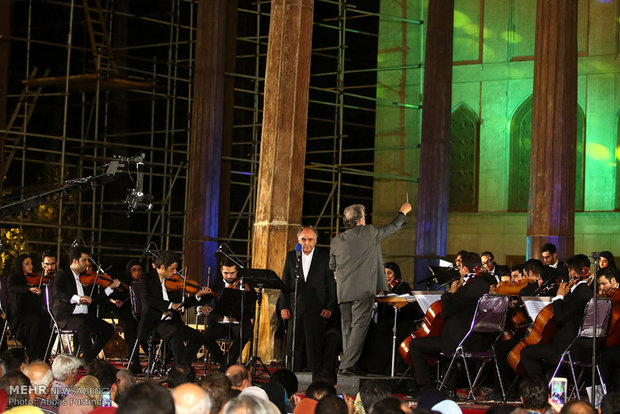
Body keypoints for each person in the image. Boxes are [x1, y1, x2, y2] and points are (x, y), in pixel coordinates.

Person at [329, 202, 412, 375]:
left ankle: (348, 366)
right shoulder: (369, 232)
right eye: (364, 216)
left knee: (347, 329)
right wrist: (402, 212)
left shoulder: (336, 240)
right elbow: (392, 227)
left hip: (344, 292)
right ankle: (345, 366)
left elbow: (332, 265)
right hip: (363, 291)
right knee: (359, 327)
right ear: (360, 220)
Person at [409, 252, 490, 394]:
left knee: (415, 344)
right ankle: (449, 388)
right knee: (444, 345)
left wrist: (450, 292)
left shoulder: (467, 289)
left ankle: (427, 388)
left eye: (460, 268)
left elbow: (446, 312)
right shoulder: (483, 285)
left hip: (460, 342)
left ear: (465, 269)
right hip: (480, 341)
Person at [520, 254, 593, 378]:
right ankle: (549, 386)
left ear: (574, 272)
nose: (568, 273)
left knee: (526, 352)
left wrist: (559, 297)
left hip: (567, 348)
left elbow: (559, 318)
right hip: (578, 345)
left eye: (569, 270)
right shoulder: (586, 291)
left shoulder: (580, 293)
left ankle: (540, 387)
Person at [278, 226, 336, 373]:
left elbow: (330, 285)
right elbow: (285, 283)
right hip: (295, 308)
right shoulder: (291, 256)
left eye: (310, 239)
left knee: (313, 347)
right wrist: (283, 306)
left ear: (315, 241)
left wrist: (329, 307)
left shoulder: (325, 257)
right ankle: (293, 375)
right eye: (303, 239)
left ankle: (314, 377)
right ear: (298, 240)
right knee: (294, 346)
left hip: (316, 309)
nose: (307, 242)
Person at [137, 250, 211, 365]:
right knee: (175, 332)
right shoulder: (146, 278)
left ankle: (183, 365)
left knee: (198, 336)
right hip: (155, 323)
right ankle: (181, 367)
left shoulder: (171, 283)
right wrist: (170, 305)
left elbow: (181, 304)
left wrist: (197, 296)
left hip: (172, 322)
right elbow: (148, 300)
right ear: (162, 267)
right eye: (172, 269)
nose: (175, 272)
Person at [52, 246, 121, 364]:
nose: (87, 263)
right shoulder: (62, 273)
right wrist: (78, 298)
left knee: (108, 329)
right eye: (84, 260)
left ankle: (87, 358)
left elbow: (92, 301)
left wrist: (110, 288)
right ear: (75, 261)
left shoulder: (84, 278)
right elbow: (57, 292)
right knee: (82, 325)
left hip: (82, 316)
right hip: (66, 316)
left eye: (88, 260)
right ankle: (90, 363)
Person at [363, 262, 417, 375]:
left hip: (401, 322)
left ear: (395, 274)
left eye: (389, 273)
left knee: (381, 333)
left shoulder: (403, 286)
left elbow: (412, 308)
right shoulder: (381, 287)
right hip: (386, 322)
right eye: (384, 273)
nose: (387, 276)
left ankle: (385, 370)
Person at [202, 258, 256, 365]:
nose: (229, 276)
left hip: (239, 323)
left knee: (242, 335)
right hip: (222, 323)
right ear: (221, 270)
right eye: (225, 273)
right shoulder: (217, 283)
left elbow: (252, 307)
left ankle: (227, 363)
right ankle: (223, 362)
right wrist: (205, 307)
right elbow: (208, 301)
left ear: (237, 271)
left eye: (232, 273)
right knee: (204, 335)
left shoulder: (246, 283)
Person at [8, 253, 52, 360]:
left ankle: (42, 355)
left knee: (48, 321)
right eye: (27, 264)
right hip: (18, 314)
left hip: (32, 313)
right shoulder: (14, 278)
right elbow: (13, 288)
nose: (31, 266)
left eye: (31, 263)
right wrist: (28, 289)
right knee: (35, 321)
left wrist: (40, 292)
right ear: (20, 266)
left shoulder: (34, 279)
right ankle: (32, 354)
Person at [106, 259, 143, 373]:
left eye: (139, 270)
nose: (137, 273)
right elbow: (111, 300)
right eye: (134, 270)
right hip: (127, 317)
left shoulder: (145, 285)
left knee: (141, 326)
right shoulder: (123, 285)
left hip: (142, 316)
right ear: (129, 272)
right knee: (131, 325)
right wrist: (116, 301)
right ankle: (134, 361)